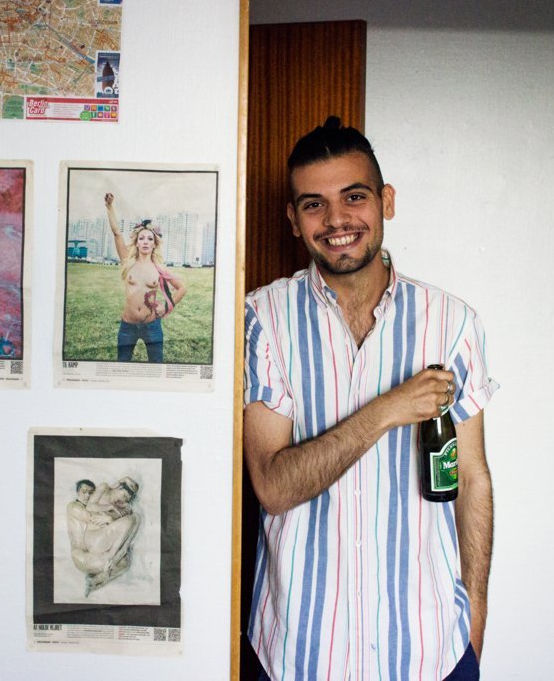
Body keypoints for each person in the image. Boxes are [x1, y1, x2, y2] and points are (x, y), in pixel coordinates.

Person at [243, 118, 498, 681]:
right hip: (297, 654)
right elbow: (274, 488)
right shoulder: (262, 320)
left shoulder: (451, 323)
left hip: (428, 651)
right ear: (292, 220)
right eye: (314, 205)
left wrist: (474, 619)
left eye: (353, 197)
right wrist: (388, 409)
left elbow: (472, 478)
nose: (336, 220)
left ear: (385, 201)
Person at [104, 193, 186, 363]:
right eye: (141, 238)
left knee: (156, 367)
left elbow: (181, 288)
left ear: (154, 243)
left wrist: (166, 307)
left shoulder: (159, 267)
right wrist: (110, 207)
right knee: (122, 365)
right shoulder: (128, 261)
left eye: (150, 239)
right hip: (127, 326)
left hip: (152, 326)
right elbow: (117, 234)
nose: (145, 242)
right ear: (137, 243)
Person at [66, 477, 141, 595]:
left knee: (125, 563)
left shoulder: (122, 506)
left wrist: (112, 516)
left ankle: (98, 578)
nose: (124, 500)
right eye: (124, 496)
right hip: (93, 540)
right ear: (120, 487)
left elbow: (117, 525)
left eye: (128, 499)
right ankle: (115, 555)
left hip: (103, 542)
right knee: (134, 519)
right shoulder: (104, 488)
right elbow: (90, 507)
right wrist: (110, 509)